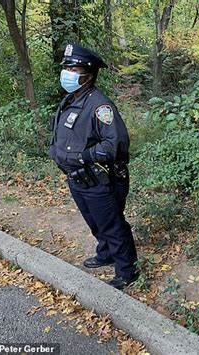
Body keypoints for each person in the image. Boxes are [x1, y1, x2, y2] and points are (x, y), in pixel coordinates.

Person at [49, 43, 138, 290]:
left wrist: (81, 156)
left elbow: (115, 145)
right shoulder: (71, 99)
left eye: (73, 68)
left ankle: (127, 269)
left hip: (99, 178)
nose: (67, 72)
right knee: (94, 222)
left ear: (88, 74)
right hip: (77, 178)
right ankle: (106, 252)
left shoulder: (100, 105)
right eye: (66, 67)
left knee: (112, 223)